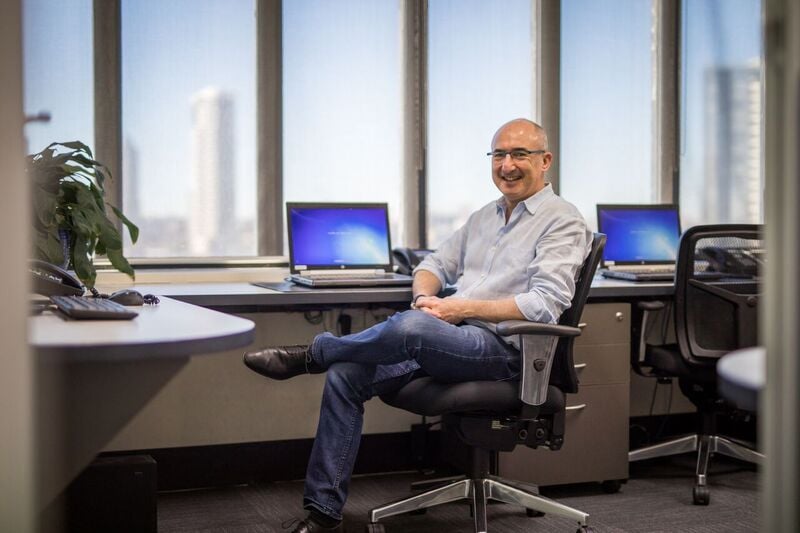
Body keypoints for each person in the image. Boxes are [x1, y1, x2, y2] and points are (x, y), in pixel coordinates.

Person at [243, 118, 592, 532]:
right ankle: (323, 513)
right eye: (499, 154)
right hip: (453, 339)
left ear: (545, 160)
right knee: (346, 375)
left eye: (520, 154)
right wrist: (425, 298)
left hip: (504, 352)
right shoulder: (485, 217)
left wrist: (457, 309)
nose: (507, 164)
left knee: (411, 329)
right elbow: (433, 264)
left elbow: (544, 305)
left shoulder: (562, 219)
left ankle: (312, 354)